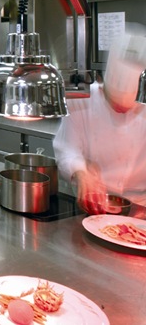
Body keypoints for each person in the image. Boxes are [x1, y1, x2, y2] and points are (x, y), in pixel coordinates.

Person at [53, 29, 146, 214]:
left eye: (131, 106)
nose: (123, 110)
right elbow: (66, 149)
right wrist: (81, 173)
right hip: (93, 204)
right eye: (116, 103)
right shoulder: (81, 100)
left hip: (141, 208)